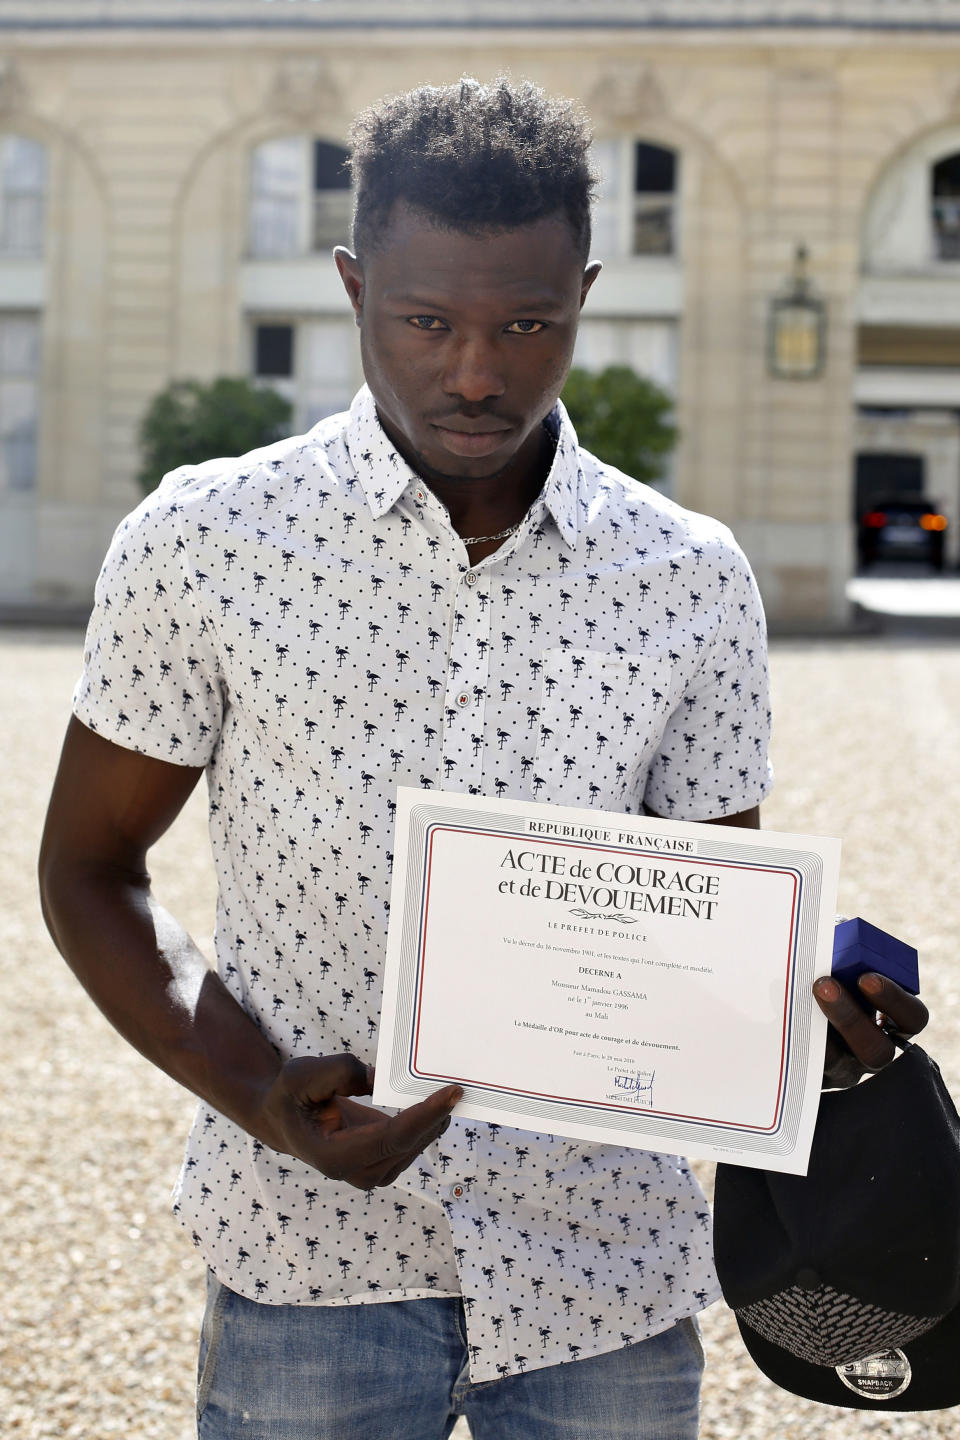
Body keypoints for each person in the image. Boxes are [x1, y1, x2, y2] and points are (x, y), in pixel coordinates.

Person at [39, 78, 927, 1440]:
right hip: (309, 1262)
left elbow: (708, 935)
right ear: (350, 286)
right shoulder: (202, 543)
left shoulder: (690, 580)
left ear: (584, 290)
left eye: (528, 324)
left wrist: (815, 1027)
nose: (475, 370)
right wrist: (258, 1100)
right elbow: (91, 866)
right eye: (427, 321)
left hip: (606, 1279)